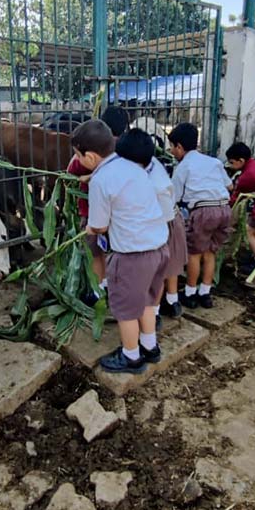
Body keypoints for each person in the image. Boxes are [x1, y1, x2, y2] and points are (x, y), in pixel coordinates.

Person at [72, 119, 169, 374]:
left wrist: (89, 228)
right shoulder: (133, 167)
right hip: (159, 248)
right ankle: (150, 347)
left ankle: (132, 357)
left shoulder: (100, 181)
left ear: (90, 156)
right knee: (147, 302)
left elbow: (100, 225)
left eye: (78, 155)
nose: (78, 160)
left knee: (125, 310)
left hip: (132, 256)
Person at [116, 128, 187, 327]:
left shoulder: (156, 184)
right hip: (163, 221)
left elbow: (162, 216)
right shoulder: (149, 162)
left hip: (165, 225)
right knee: (169, 267)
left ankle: (155, 312)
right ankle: (171, 302)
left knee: (159, 273)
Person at [67, 106, 129, 300]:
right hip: (119, 216)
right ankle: (111, 285)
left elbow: (70, 171)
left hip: (93, 215)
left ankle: (97, 289)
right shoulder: (127, 151)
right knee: (114, 252)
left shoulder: (85, 160)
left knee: (95, 253)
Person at [169, 122, 232, 309]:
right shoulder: (214, 162)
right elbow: (229, 186)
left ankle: (190, 293)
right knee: (210, 251)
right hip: (223, 209)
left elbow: (175, 196)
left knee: (194, 254)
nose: (172, 151)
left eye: (172, 147)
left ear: (179, 146)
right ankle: (206, 292)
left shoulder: (183, 167)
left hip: (203, 211)